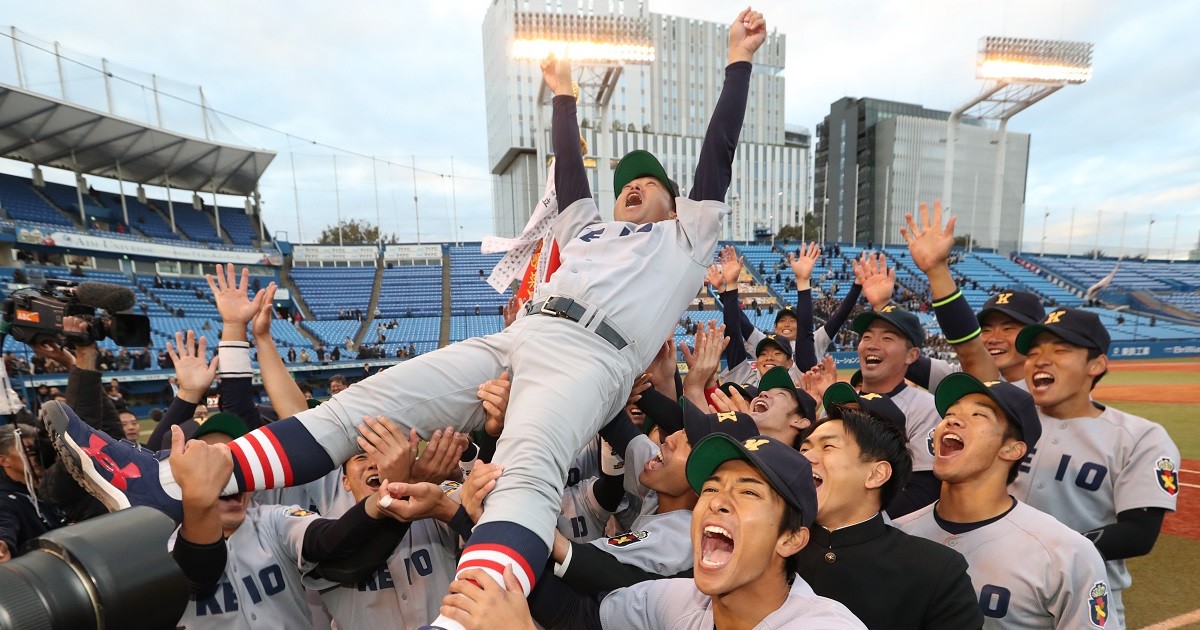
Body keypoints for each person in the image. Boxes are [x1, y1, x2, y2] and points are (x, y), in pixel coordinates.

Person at [50, 11, 768, 630]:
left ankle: (462, 618)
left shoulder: (687, 240)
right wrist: (563, 93)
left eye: (648, 184)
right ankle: (180, 481)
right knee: (364, 407)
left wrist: (736, 61)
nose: (632, 187)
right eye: (626, 184)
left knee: (524, 472)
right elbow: (572, 170)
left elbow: (717, 157)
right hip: (529, 331)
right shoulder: (589, 231)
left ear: (678, 205)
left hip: (594, 355)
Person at [450, 433, 867, 629]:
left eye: (748, 492)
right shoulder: (684, 601)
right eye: (711, 488)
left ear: (791, 538)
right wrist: (491, 525)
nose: (717, 501)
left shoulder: (824, 626)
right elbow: (582, 616)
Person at [896, 373, 1109, 628]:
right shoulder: (898, 533)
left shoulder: (1063, 554)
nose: (952, 420)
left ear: (1012, 449)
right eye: (950, 413)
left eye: (979, 414)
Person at [1011, 308, 1178, 628]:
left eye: (1060, 350)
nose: (1041, 360)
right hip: (1001, 588)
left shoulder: (1139, 437)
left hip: (1086, 598)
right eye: (1033, 353)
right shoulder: (1006, 422)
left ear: (1096, 365)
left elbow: (1139, 534)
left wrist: (1038, 551)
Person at [799, 392, 982, 628]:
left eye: (828, 447)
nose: (805, 459)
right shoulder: (770, 547)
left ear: (876, 475)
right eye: (803, 449)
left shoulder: (937, 571)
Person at [0, 424, 65, 561]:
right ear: (4, 460)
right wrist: (3, 544)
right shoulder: (5, 499)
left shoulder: (58, 484)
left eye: (38, 450)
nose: (37, 457)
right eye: (28, 452)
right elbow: (4, 523)